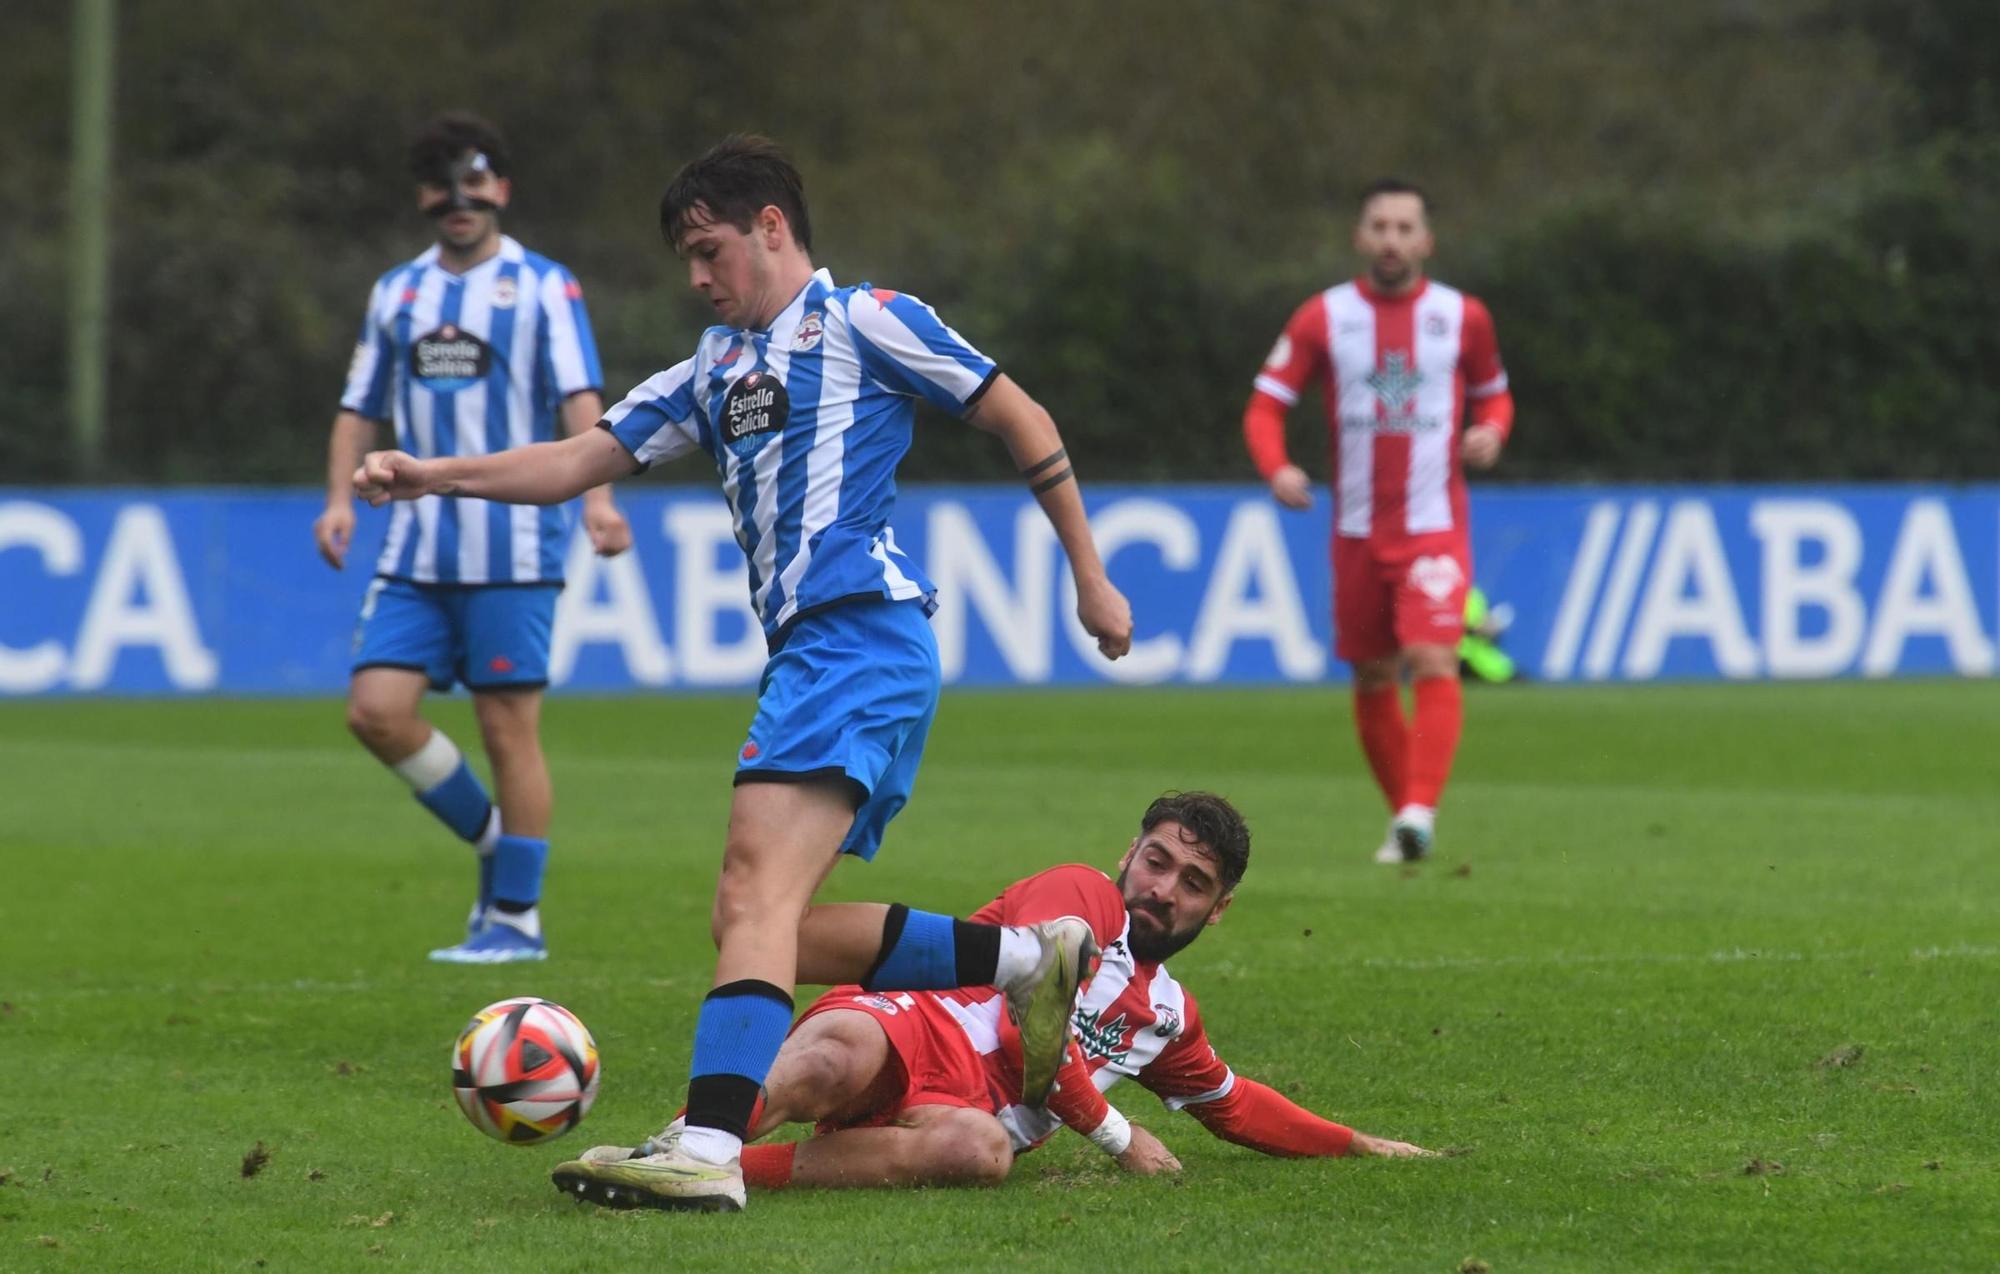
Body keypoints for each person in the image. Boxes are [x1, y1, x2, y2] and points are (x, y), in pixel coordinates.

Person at [354, 134, 1134, 1211]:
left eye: (708, 250)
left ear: (771, 227)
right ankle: (1020, 961)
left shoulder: (867, 319)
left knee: (750, 891)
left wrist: (1089, 578)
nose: (696, 277)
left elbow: (1017, 414)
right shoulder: (713, 369)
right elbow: (574, 462)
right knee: (767, 923)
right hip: (816, 656)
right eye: (687, 257)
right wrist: (429, 474)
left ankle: (708, 1145)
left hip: (857, 634)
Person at [553, 792, 1429, 1204]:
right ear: (1129, 852)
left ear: (1217, 907)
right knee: (829, 1059)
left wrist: (1361, 1144)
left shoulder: (1165, 1018)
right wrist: (1118, 1136)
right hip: (907, 1024)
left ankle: (726, 1172)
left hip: (958, 1113)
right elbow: (1027, 1019)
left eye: (1192, 882)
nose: (1164, 888)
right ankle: (672, 1146)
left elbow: (1236, 1108)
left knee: (981, 1153)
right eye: (1157, 861)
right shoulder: (1083, 895)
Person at [312, 111, 632, 963]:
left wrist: (598, 502)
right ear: (422, 196)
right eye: (441, 183)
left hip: (515, 550)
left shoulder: (543, 287)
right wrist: (339, 499)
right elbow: (358, 405)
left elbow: (579, 404)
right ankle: (498, 841)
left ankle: (514, 918)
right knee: (375, 712)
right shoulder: (397, 293)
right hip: (415, 552)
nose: (459, 199)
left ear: (502, 189)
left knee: (506, 731)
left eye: (475, 180)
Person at [1241, 178, 1515, 864]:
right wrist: (1276, 466)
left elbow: (1496, 398)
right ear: (1362, 238)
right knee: (1371, 675)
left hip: (1433, 527)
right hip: (1357, 530)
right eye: (1380, 226)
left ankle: (1420, 808)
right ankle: (1405, 819)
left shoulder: (1462, 317)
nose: (1392, 240)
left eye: (1404, 227)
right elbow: (1265, 406)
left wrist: (1491, 433)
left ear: (1426, 241)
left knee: (1432, 656)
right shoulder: (1324, 317)